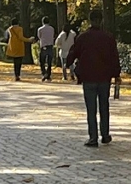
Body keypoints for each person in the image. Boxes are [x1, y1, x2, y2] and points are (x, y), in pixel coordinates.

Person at [68, 10, 120, 146]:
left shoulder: (83, 37)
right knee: (104, 106)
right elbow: (114, 57)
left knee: (91, 109)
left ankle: (93, 137)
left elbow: (73, 53)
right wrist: (116, 74)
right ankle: (105, 134)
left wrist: (71, 65)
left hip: (88, 77)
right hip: (104, 77)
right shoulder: (108, 37)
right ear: (101, 20)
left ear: (90, 20)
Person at [37, 16, 56, 82]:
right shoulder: (52, 29)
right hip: (50, 46)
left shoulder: (40, 29)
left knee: (42, 61)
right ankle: (48, 74)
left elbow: (39, 37)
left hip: (43, 46)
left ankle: (44, 73)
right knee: (49, 62)